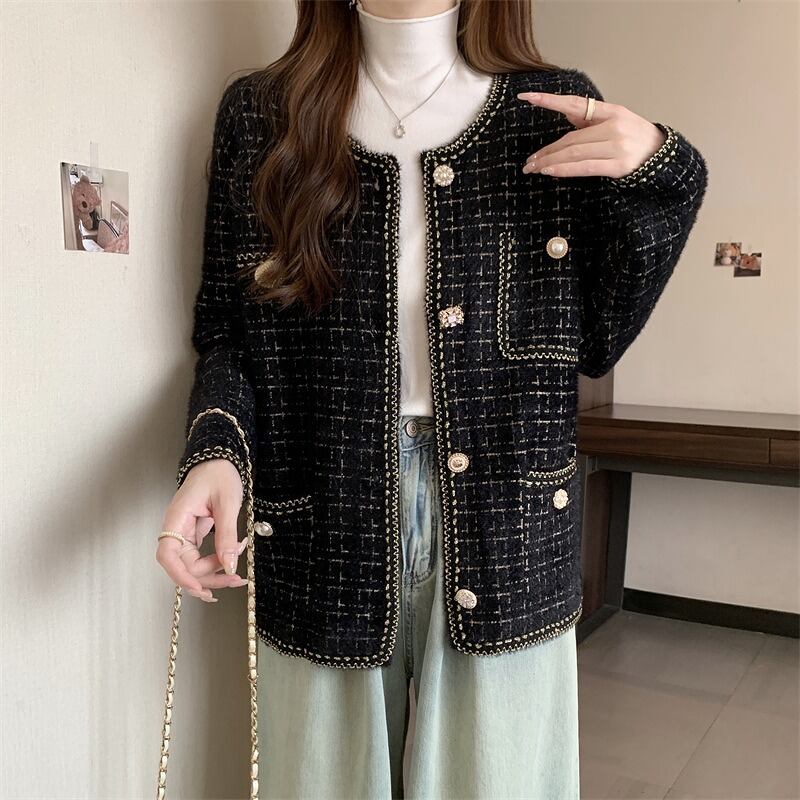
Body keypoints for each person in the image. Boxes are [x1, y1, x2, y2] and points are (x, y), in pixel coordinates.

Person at [155, 0, 709, 797]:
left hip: (507, 518)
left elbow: (598, 338)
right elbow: (229, 334)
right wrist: (215, 454)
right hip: (324, 519)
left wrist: (663, 168)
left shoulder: (549, 112)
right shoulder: (263, 114)